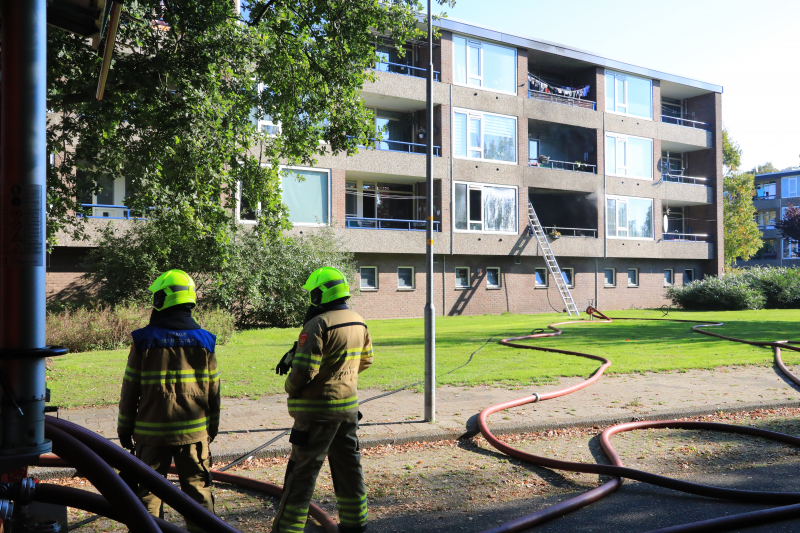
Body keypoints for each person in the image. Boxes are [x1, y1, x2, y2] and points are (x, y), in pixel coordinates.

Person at [117, 269, 220, 532]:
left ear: (163, 299)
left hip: (150, 435)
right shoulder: (205, 341)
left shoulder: (143, 340)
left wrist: (124, 428)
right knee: (199, 496)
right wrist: (212, 428)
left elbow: (130, 389)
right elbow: (213, 391)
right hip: (193, 434)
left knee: (147, 497)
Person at [272, 267, 373, 533]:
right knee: (349, 467)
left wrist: (289, 386)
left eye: (313, 292)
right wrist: (341, 376)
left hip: (316, 414)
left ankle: (287, 529)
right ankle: (355, 523)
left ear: (321, 294)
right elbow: (367, 360)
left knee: (302, 473)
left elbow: (304, 372)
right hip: (348, 410)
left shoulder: (319, 324)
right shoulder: (358, 320)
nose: (311, 298)